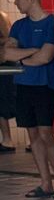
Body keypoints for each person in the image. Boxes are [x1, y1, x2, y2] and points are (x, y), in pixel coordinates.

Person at [3, 0, 54, 198]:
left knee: (46, 133)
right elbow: (6, 54)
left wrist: (23, 56)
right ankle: (46, 183)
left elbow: (45, 57)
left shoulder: (51, 23)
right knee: (32, 134)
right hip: (23, 85)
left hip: (43, 86)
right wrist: (33, 51)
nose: (16, 2)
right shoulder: (18, 26)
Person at [0, 11, 17, 152]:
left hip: (6, 65)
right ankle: (7, 139)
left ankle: (7, 140)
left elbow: (8, 39)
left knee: (5, 102)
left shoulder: (1, 17)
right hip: (6, 64)